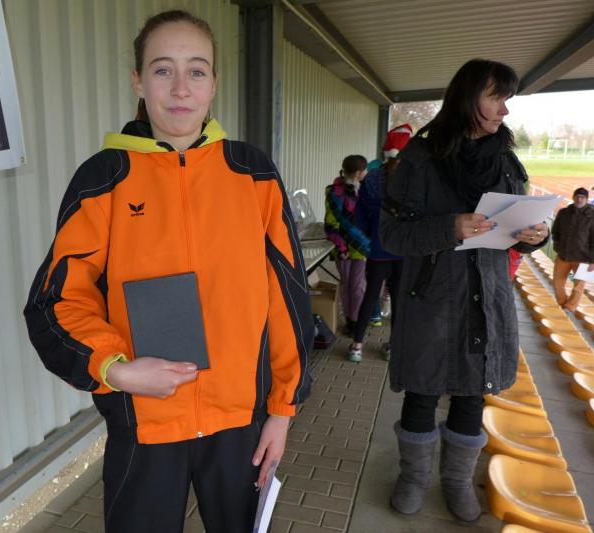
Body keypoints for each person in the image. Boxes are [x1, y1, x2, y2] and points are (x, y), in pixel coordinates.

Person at [23, 11, 312, 532]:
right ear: (138, 80)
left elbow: (287, 297)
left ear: (214, 83)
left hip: (241, 425)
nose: (181, 88)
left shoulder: (252, 173)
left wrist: (282, 410)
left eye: (196, 71)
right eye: (163, 70)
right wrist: (116, 370)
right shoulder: (105, 177)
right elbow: (57, 301)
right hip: (144, 423)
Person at [380, 58, 549, 522]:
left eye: (507, 100)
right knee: (422, 391)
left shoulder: (507, 161)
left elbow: (517, 227)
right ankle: (414, 477)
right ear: (467, 97)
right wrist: (448, 228)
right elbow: (392, 235)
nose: (505, 111)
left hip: (486, 297)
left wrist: (535, 235)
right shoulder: (419, 159)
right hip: (432, 299)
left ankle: (456, 480)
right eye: (497, 98)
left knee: (474, 393)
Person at [347, 124, 413, 363]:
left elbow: (360, 215)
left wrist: (371, 236)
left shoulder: (373, 177)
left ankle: (357, 346)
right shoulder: (413, 180)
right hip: (404, 251)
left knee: (370, 296)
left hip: (377, 249)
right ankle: (393, 346)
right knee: (399, 300)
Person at [325, 155, 370, 335]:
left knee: (357, 286)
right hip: (342, 246)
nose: (366, 173)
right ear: (358, 173)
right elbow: (331, 223)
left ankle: (356, 321)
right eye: (365, 170)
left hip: (361, 247)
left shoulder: (366, 190)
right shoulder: (334, 192)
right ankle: (350, 321)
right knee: (347, 285)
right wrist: (341, 247)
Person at [551, 188, 594, 311]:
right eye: (577, 196)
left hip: (582, 258)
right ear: (573, 197)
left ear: (587, 199)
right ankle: (563, 304)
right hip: (563, 255)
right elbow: (555, 231)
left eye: (582, 197)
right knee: (557, 284)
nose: (579, 199)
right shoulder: (563, 213)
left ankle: (570, 307)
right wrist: (558, 246)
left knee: (578, 287)